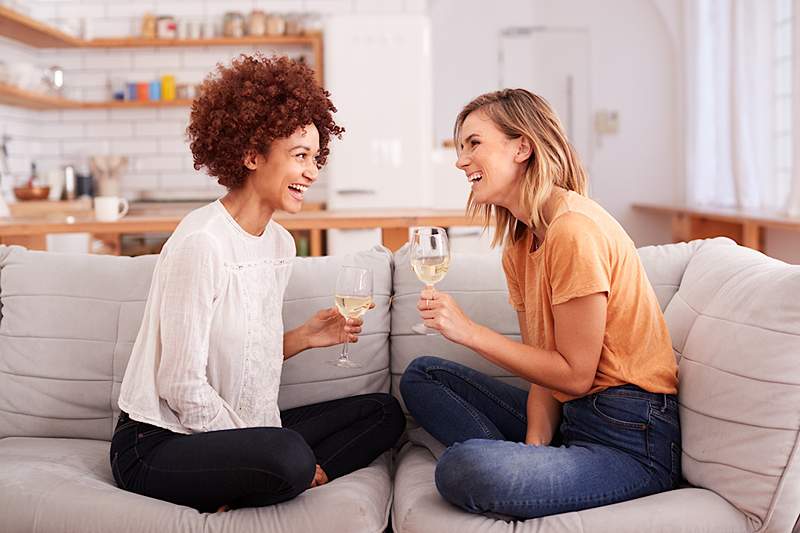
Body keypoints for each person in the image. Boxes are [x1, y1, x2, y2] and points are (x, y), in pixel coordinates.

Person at [112, 54, 405, 513]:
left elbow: (247, 357)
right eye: (300, 156)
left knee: (384, 413)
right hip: (159, 442)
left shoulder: (280, 244)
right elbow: (180, 385)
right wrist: (259, 445)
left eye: (315, 157)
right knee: (285, 456)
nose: (313, 172)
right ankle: (280, 473)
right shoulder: (202, 243)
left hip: (243, 428)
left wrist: (303, 338)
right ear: (251, 155)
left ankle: (276, 477)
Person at [400, 88, 681, 519]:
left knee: (461, 468)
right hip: (575, 417)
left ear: (522, 147)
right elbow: (543, 370)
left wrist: (471, 333)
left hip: (629, 437)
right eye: (460, 148)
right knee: (423, 375)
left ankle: (512, 464)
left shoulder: (573, 230)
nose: (460, 161)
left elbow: (574, 375)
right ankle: (530, 464)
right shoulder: (521, 242)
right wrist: (534, 449)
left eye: (473, 143)